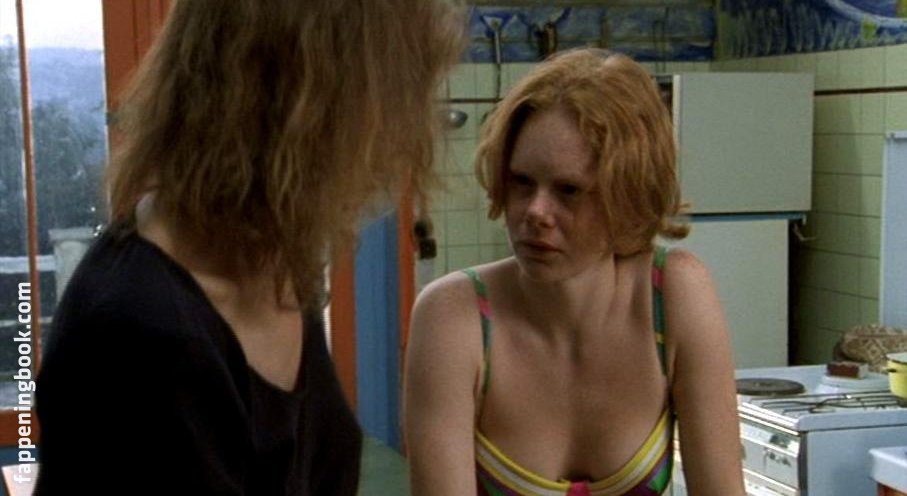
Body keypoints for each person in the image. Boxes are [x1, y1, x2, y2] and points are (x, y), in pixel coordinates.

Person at [34, 1, 463, 494]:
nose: (403, 134)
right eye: (392, 96)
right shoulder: (141, 333)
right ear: (302, 104)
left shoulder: (269, 264)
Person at [404, 48, 745, 496]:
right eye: (522, 182)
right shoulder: (454, 317)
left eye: (568, 190)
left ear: (627, 195)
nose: (536, 212)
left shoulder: (673, 294)